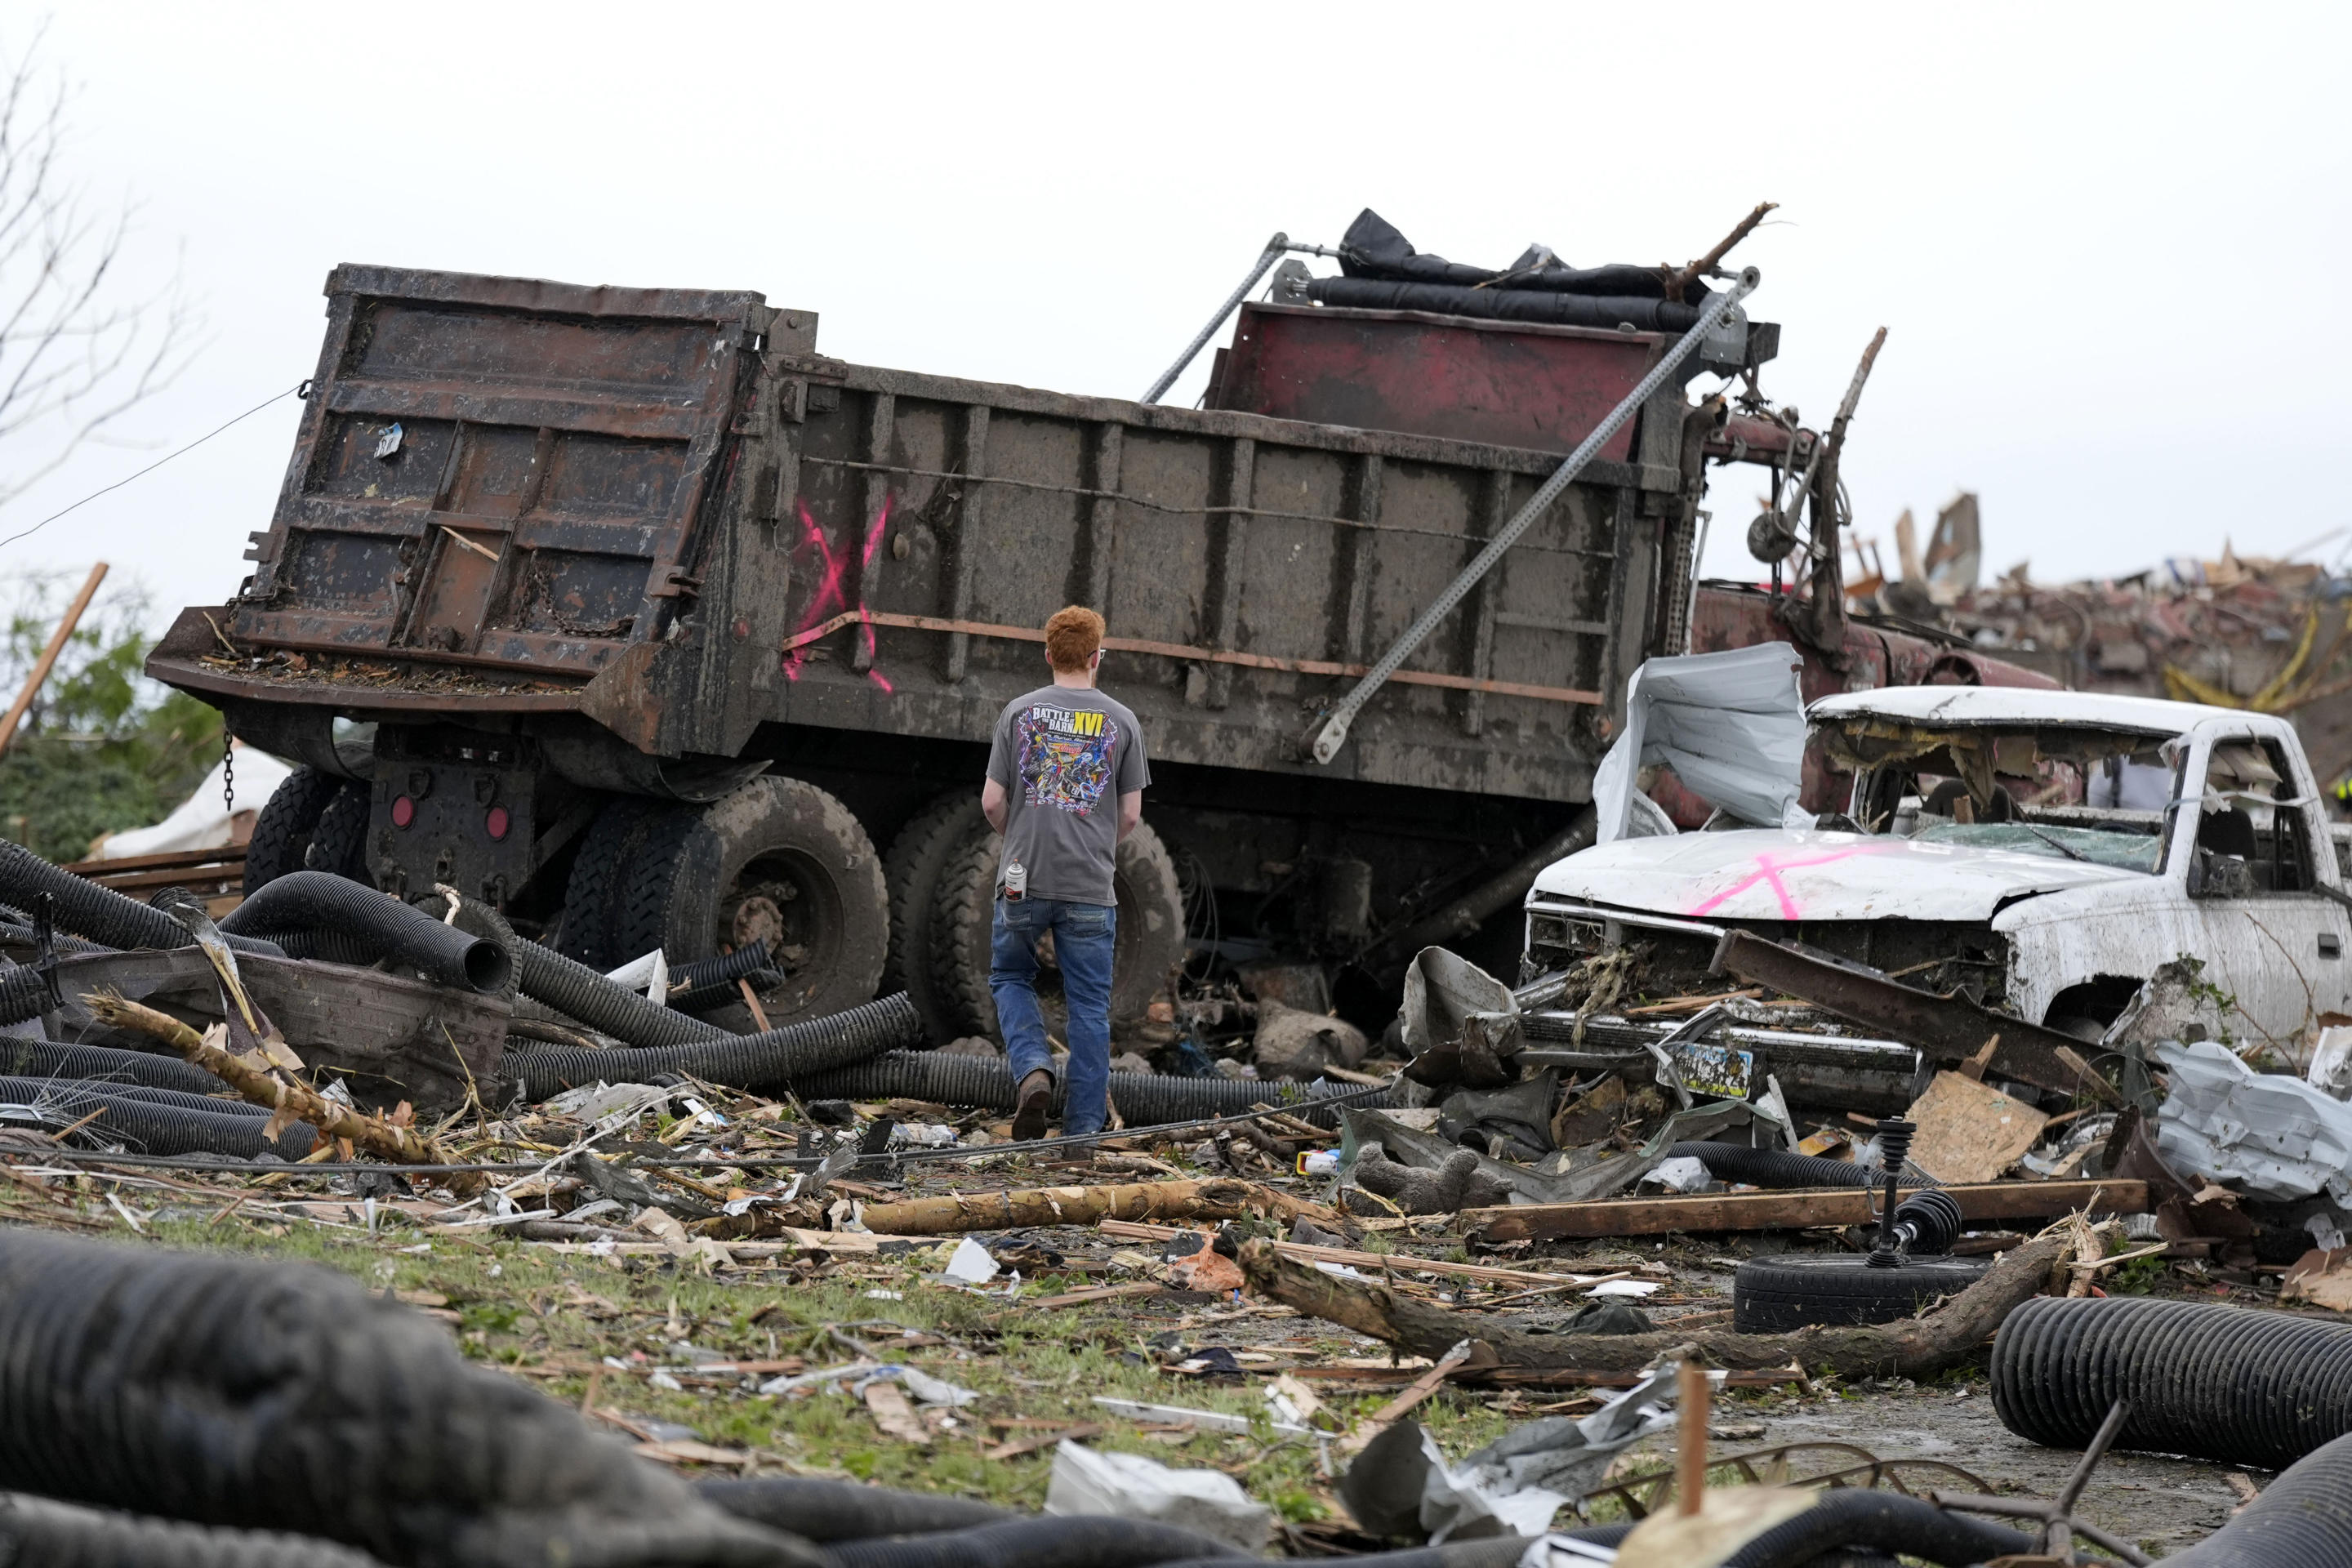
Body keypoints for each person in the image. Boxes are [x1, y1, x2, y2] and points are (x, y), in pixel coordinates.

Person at [980, 606, 1149, 1141]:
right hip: (1089, 888)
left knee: (1010, 976)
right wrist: (1097, 844)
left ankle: (1032, 1070)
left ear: (1049, 655)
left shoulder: (1019, 713)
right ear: (1098, 657)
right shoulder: (1123, 721)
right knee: (1089, 1009)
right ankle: (1080, 1138)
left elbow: (991, 802)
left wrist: (1021, 838)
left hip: (1020, 877)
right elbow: (1130, 815)